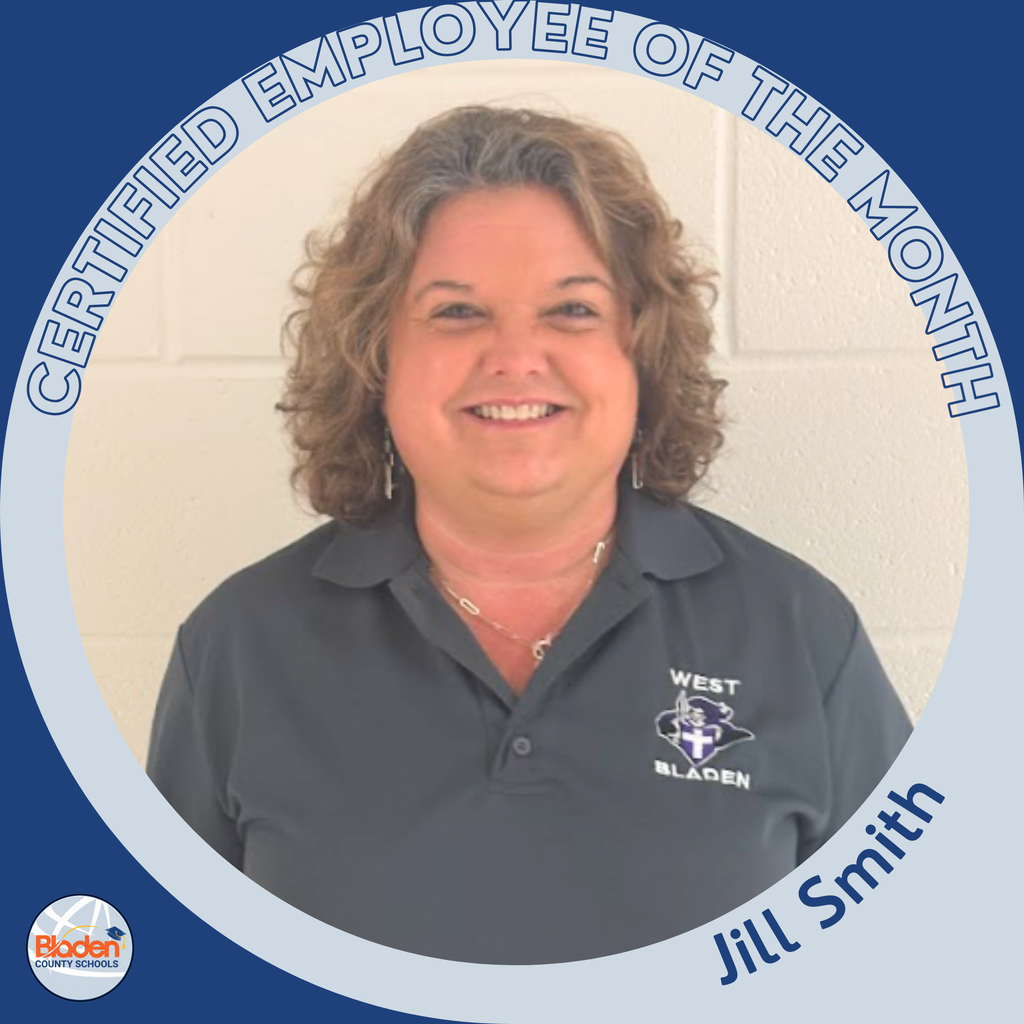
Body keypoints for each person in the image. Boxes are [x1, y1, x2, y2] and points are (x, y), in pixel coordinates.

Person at [147, 106, 911, 964]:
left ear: (643, 352)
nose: (515, 356)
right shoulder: (241, 646)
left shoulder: (801, 634)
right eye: (457, 312)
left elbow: (910, 960)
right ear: (375, 356)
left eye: (573, 310)